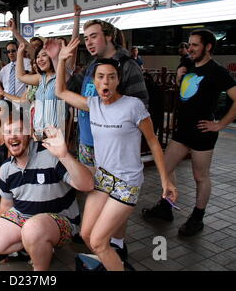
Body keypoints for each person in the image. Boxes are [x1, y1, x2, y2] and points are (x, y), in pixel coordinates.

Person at [55, 40, 178, 270]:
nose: (106, 81)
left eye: (111, 77)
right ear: (94, 81)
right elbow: (60, 91)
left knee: (100, 242)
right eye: (100, 76)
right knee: (87, 234)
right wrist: (61, 60)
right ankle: (115, 263)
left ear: (118, 81)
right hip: (103, 179)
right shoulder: (92, 104)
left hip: (126, 182)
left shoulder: (133, 106)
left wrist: (165, 180)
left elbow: (153, 142)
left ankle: (113, 262)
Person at [142, 29, 236, 236]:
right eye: (189, 44)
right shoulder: (189, 64)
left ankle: (197, 218)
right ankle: (166, 206)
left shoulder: (217, 71)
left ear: (208, 47)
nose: (189, 48)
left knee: (200, 176)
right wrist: (179, 72)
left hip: (203, 132)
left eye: (194, 45)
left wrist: (220, 124)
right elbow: (183, 77)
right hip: (182, 130)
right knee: (165, 168)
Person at [74, 19, 149, 258]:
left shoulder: (127, 66)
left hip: (113, 148)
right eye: (86, 38)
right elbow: (78, 92)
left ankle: (116, 244)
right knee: (95, 194)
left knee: (117, 199)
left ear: (108, 37)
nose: (89, 42)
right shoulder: (92, 65)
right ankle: (102, 240)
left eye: (93, 36)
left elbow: (141, 109)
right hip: (88, 141)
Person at [0, 113, 94, 271]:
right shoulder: (6, 168)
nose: (12, 136)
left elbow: (87, 185)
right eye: (7, 132)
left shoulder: (51, 154)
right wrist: (7, 232)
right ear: (2, 138)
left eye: (19, 130)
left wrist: (64, 155)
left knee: (33, 230)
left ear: (29, 132)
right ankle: (38, 247)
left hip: (61, 220)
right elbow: (6, 205)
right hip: (25, 217)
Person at [16, 41, 64, 140]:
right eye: (37, 57)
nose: (40, 59)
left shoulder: (61, 76)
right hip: (38, 134)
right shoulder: (40, 78)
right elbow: (21, 76)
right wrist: (20, 54)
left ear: (52, 56)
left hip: (55, 136)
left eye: (44, 55)